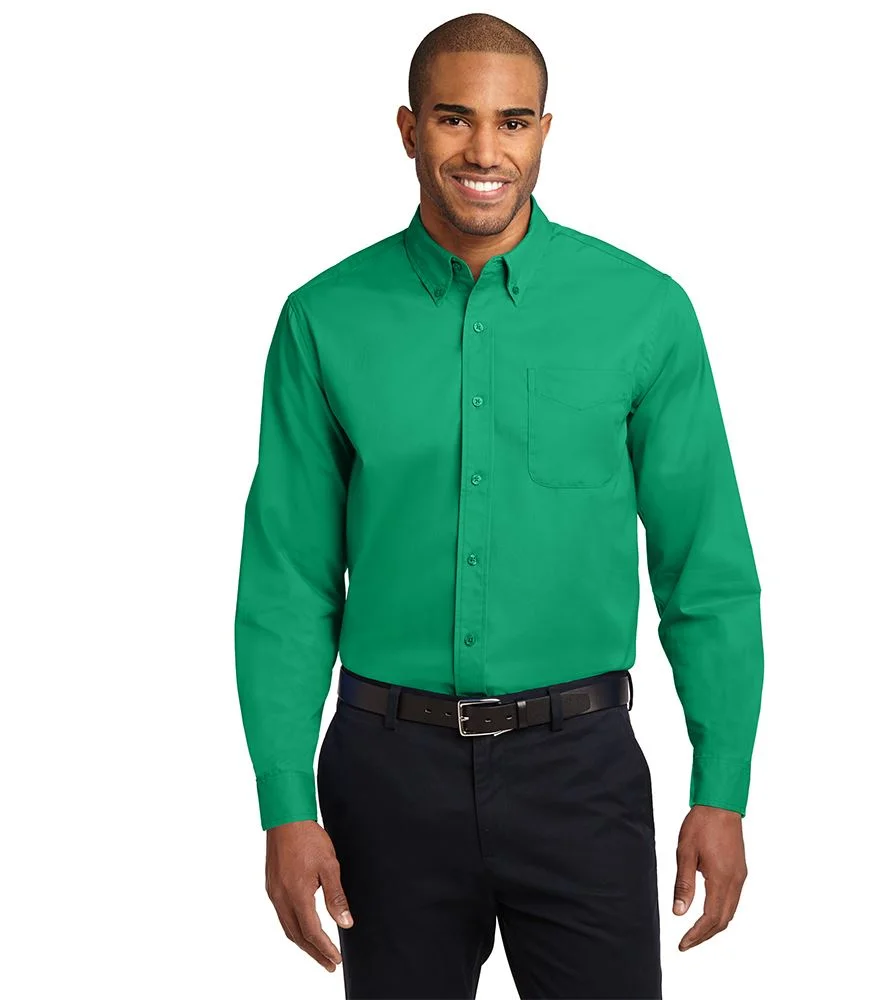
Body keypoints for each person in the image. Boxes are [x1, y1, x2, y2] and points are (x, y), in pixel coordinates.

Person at [233, 11, 764, 999]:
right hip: (385, 778)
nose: (485, 151)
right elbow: (287, 584)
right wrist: (285, 803)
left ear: (544, 132)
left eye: (512, 122)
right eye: (454, 119)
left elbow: (708, 573)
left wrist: (721, 788)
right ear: (408, 129)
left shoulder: (644, 312)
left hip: (582, 772)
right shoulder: (323, 319)